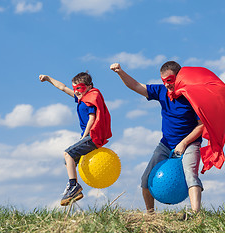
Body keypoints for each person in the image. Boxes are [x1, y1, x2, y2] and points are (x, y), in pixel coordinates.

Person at [110, 61, 204, 214]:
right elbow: (135, 85)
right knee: (145, 180)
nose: (166, 85)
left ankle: (196, 215)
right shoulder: (161, 92)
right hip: (166, 144)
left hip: (190, 143)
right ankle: (150, 215)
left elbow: (202, 126)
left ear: (179, 77)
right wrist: (120, 72)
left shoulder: (191, 97)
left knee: (191, 176)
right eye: (163, 81)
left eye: (170, 80)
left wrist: (184, 142)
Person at [39, 72, 112, 206]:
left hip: (92, 136)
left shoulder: (91, 98)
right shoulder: (82, 98)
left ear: (89, 86)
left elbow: (92, 118)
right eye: (75, 89)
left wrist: (84, 137)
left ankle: (73, 186)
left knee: (68, 153)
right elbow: (63, 87)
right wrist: (48, 79)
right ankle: (73, 189)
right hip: (88, 136)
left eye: (80, 88)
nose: (76, 92)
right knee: (68, 161)